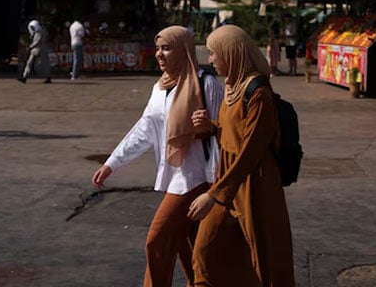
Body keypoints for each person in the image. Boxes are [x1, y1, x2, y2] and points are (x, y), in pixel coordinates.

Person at [91, 25, 224, 287]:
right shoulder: (160, 87)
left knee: (157, 241)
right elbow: (144, 129)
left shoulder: (205, 84)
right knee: (189, 247)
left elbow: (227, 132)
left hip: (196, 178)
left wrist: (216, 181)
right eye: (158, 48)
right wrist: (112, 163)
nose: (160, 54)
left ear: (183, 49)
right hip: (171, 177)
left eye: (167, 48)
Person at [188, 25, 295, 286]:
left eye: (214, 53)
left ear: (232, 53)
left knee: (263, 258)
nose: (211, 59)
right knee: (204, 252)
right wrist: (210, 128)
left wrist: (213, 195)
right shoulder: (232, 86)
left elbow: (250, 150)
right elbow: (232, 132)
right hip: (228, 181)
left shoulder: (258, 93)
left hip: (254, 184)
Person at [18, 19, 51, 84]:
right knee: (45, 64)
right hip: (43, 49)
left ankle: (24, 77)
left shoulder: (39, 32)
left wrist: (30, 47)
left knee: (30, 63)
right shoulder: (41, 31)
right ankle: (48, 77)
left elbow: (36, 42)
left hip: (37, 49)